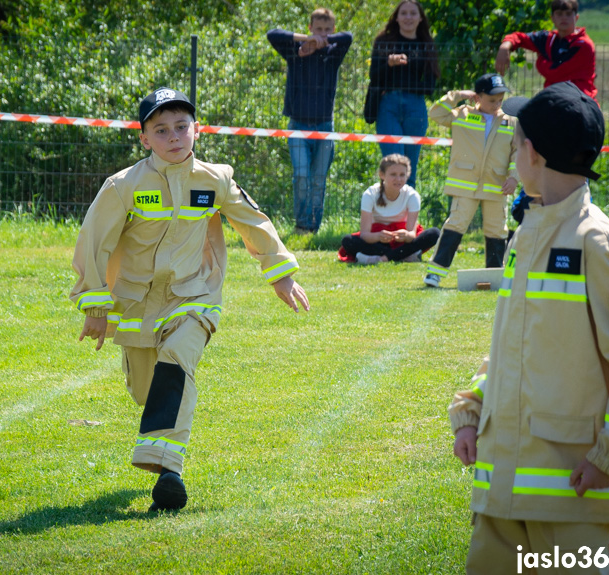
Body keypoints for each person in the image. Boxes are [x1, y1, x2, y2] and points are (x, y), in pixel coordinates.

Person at [449, 82, 609, 574]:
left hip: (569, 489)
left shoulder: (599, 244)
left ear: (531, 153)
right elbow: (518, 350)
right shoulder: (529, 234)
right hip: (500, 492)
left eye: (514, 142)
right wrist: (473, 408)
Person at [70, 87, 310, 512]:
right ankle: (163, 452)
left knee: (178, 360)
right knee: (148, 392)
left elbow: (252, 221)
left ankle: (168, 471)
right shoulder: (122, 186)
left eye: (182, 127)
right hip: (137, 305)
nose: (174, 137)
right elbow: (94, 243)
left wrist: (280, 274)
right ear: (144, 139)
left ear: (196, 130)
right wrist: (95, 304)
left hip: (195, 295)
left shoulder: (214, 178)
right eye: (161, 130)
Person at [423, 73, 518, 288]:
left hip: (497, 186)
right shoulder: (462, 114)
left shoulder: (510, 122)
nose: (497, 104)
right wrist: (457, 96)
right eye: (492, 99)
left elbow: (517, 152)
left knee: (497, 231)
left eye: (500, 100)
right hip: (465, 184)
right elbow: (436, 113)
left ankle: (495, 277)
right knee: (455, 225)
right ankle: (435, 273)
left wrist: (514, 178)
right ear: (478, 96)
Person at [267, 8, 353, 234]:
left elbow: (349, 37)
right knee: (301, 175)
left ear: (332, 30)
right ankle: (301, 225)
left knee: (318, 179)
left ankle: (313, 227)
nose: (322, 33)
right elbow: (272, 34)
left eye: (327, 30)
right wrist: (306, 41)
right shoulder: (294, 51)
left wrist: (324, 41)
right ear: (309, 28)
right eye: (318, 29)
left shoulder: (334, 52)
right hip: (298, 125)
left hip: (325, 126)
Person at [364, 0, 439, 189]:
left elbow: (430, 86)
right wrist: (389, 64)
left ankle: (407, 218)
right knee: (393, 165)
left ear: (420, 18)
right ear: (396, 17)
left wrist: (405, 82)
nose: (408, 17)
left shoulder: (427, 45)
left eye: (413, 13)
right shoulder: (383, 42)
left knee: (408, 170)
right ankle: (387, 216)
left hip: (416, 108)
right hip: (387, 105)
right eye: (403, 13)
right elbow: (374, 76)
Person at [338, 154, 439, 264]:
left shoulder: (412, 195)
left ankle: (380, 258)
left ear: (407, 175)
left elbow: (411, 234)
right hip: (377, 239)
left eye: (402, 175)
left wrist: (405, 236)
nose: (398, 179)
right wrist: (378, 236)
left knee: (434, 233)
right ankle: (404, 255)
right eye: (393, 174)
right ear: (382, 175)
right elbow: (365, 234)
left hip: (401, 240)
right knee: (348, 241)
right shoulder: (370, 194)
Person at [495, 0, 597, 102]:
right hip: (554, 99)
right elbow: (520, 37)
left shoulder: (584, 45)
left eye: (568, 14)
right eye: (559, 14)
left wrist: (540, 61)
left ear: (576, 17)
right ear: (552, 18)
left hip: (581, 101)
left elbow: (555, 72)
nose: (564, 17)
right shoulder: (548, 39)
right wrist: (504, 47)